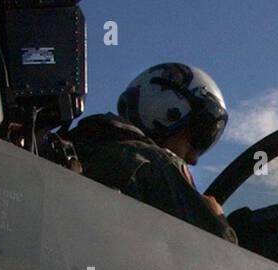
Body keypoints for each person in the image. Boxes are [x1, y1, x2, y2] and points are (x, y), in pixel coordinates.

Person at [68, 63, 237, 243]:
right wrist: (217, 220)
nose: (193, 158)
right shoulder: (156, 166)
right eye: (198, 139)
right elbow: (220, 261)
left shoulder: (77, 149)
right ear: (169, 113)